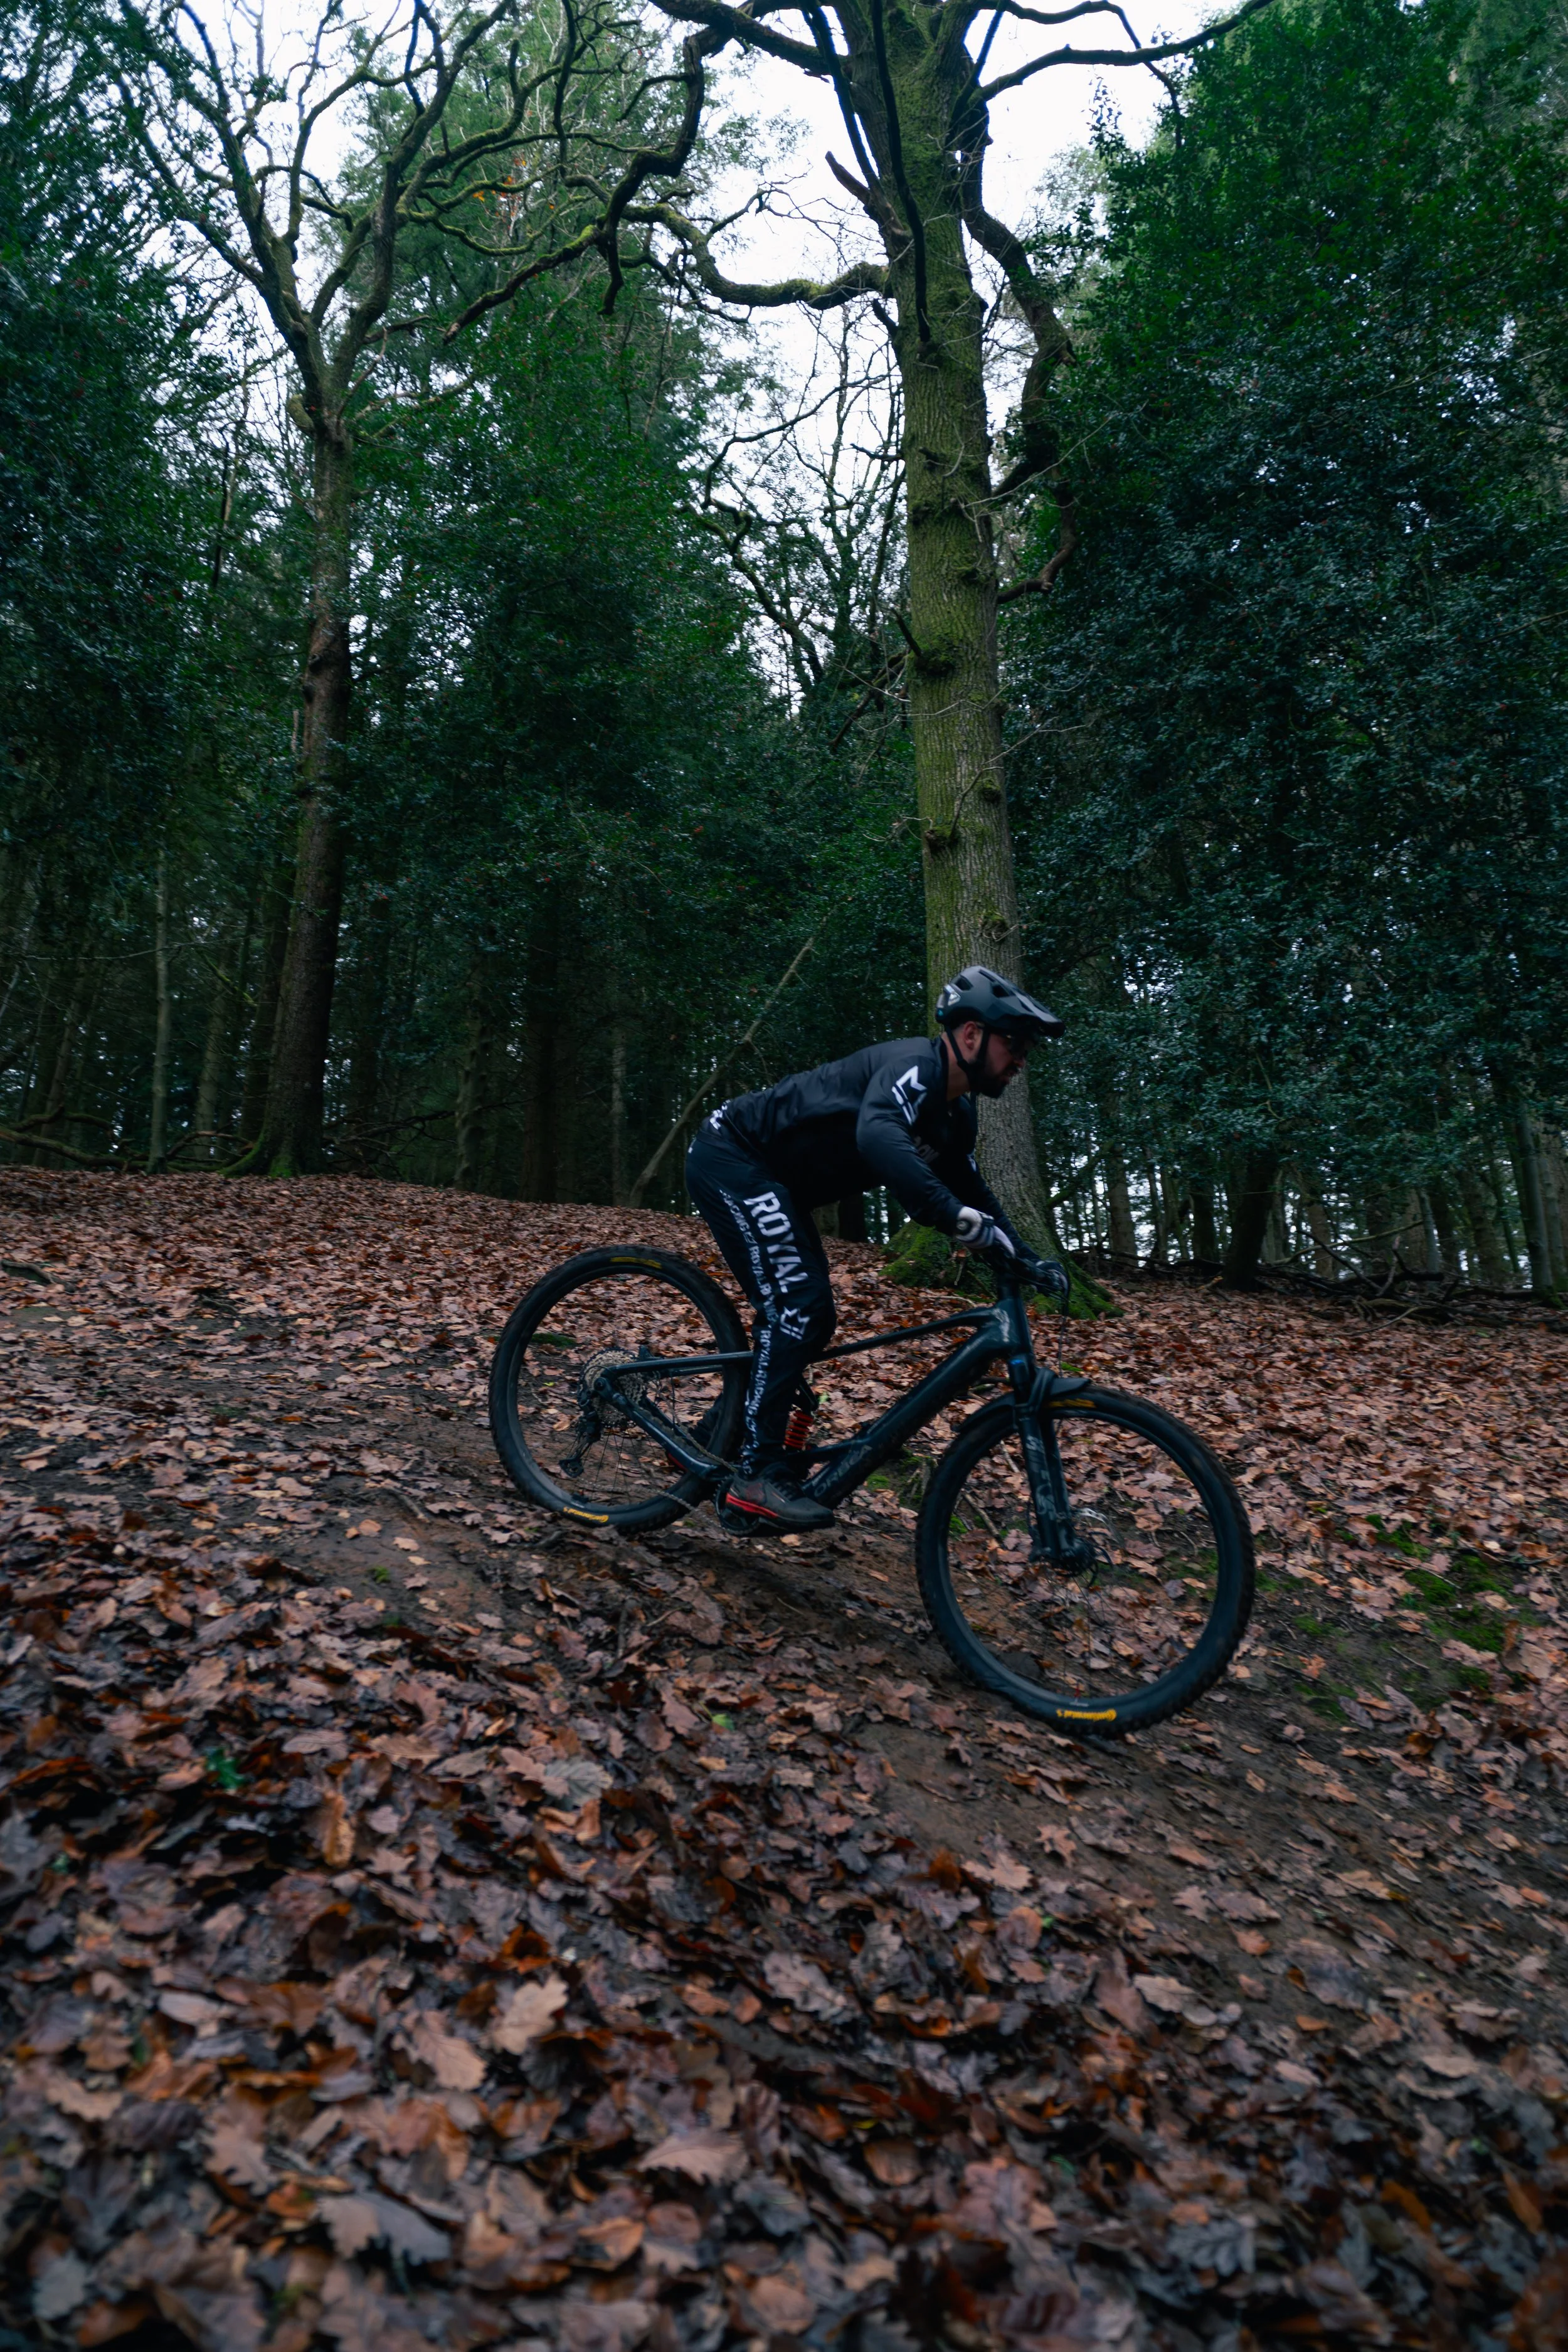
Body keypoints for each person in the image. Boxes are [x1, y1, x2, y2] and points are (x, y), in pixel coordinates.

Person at [686, 964, 1071, 1533]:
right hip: (735, 1156)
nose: (1021, 1060)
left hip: (777, 1184)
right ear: (970, 1036)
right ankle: (755, 1476)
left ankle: (709, 1439)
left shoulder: (955, 1117)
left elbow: (972, 1190)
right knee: (799, 1306)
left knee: (813, 1320)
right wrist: (954, 1219)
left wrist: (1023, 1254)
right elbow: (879, 1134)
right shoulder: (912, 1068)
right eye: (1013, 1043)